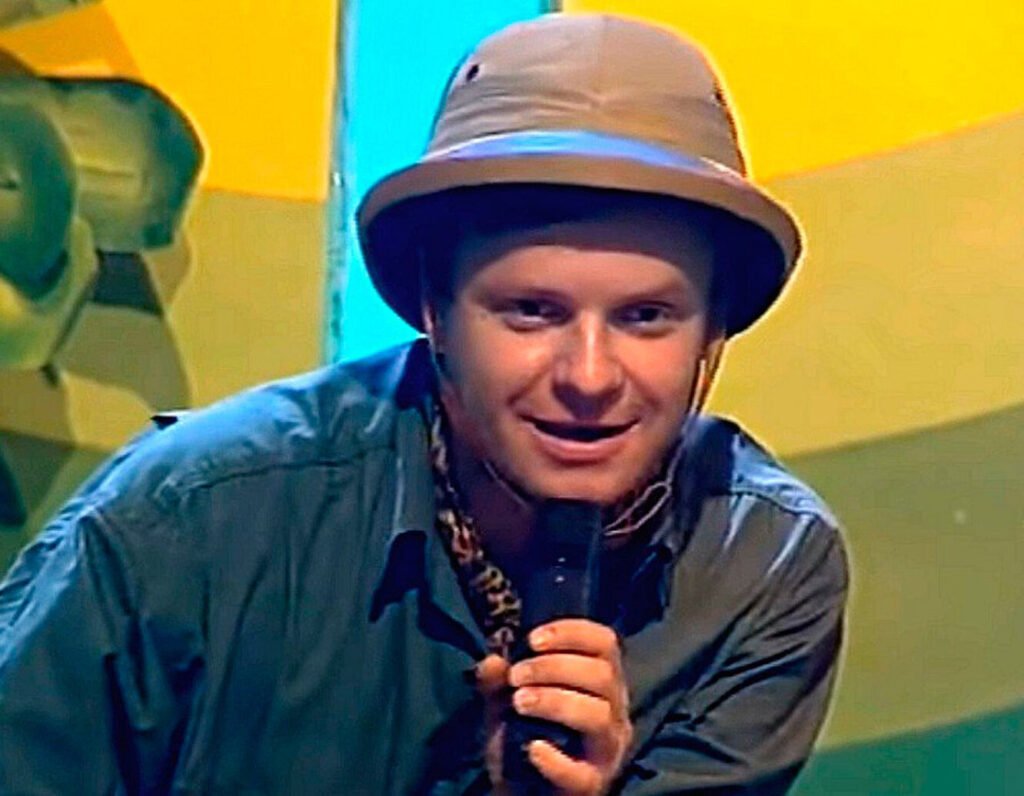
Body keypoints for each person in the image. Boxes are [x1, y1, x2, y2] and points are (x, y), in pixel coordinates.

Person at [0, 13, 847, 795]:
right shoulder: (186, 518)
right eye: (532, 311)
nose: (590, 377)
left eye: (646, 317)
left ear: (713, 333)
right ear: (434, 309)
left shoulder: (763, 563)